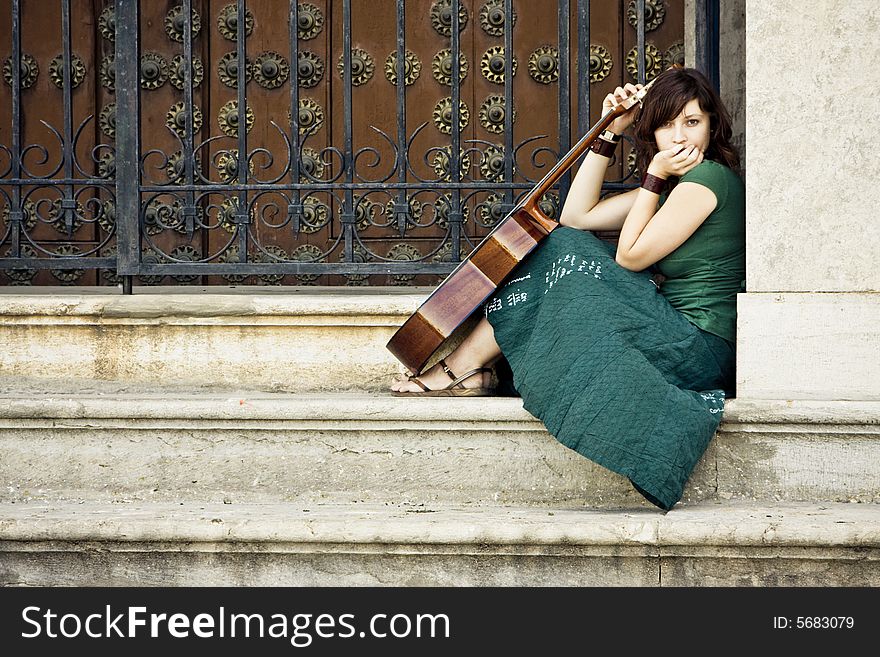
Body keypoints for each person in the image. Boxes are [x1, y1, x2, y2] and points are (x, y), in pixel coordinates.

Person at [390, 67, 745, 511]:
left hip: (698, 346)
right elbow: (576, 218)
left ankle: (460, 367)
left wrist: (653, 175)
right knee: (559, 239)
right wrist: (608, 134)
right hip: (673, 332)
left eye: (692, 122)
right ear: (651, 130)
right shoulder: (675, 188)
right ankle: (473, 370)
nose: (679, 138)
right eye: (666, 124)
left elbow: (629, 257)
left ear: (712, 126)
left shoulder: (707, 180)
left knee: (561, 250)